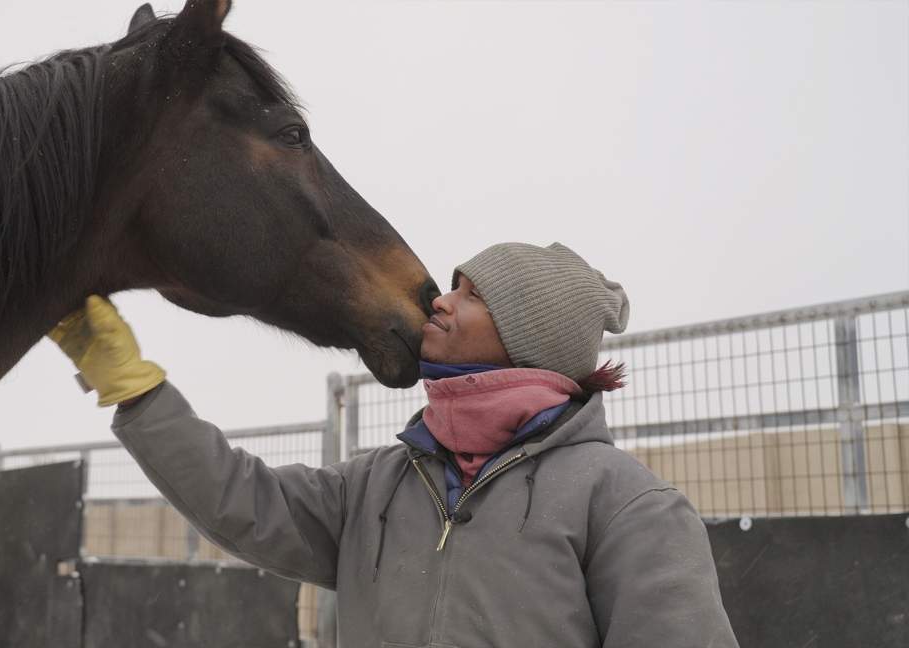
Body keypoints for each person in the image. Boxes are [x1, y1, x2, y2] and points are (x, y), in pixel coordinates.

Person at [49, 242, 739, 647]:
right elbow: (238, 500)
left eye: (471, 295)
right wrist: (134, 389)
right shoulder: (377, 485)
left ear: (527, 338)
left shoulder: (625, 505)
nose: (440, 300)